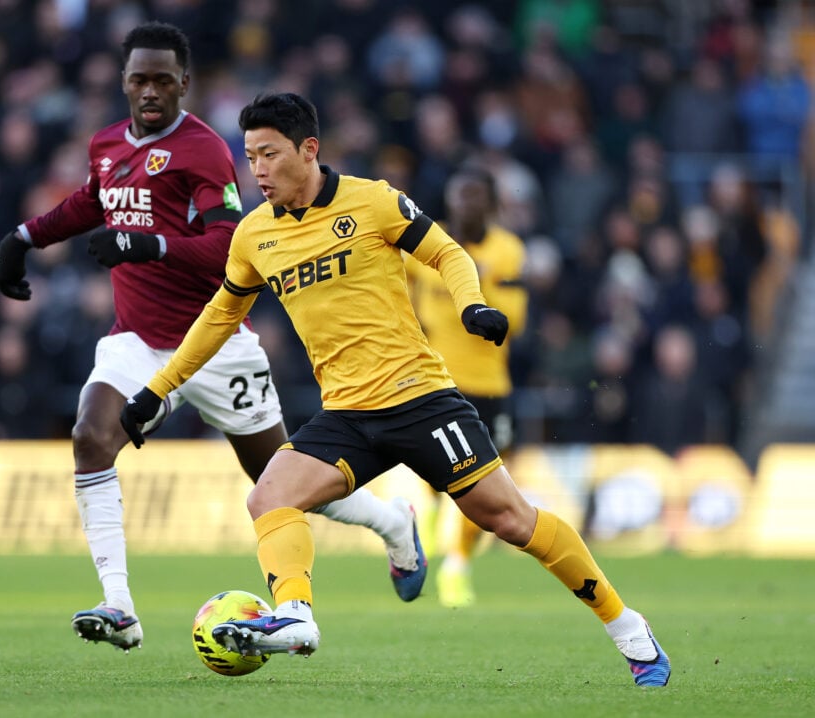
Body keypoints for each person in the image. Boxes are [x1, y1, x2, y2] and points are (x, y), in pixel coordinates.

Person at [120, 92, 671, 687]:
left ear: (309, 150)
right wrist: (159, 390)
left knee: (510, 520)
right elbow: (219, 316)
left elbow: (447, 251)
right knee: (269, 497)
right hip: (347, 414)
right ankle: (295, 615)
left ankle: (629, 629)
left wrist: (472, 306)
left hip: (420, 399)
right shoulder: (254, 235)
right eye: (249, 155)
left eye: (269, 154)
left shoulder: (374, 200)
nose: (257, 170)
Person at [0, 24, 426, 655]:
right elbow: (95, 200)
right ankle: (119, 606)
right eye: (139, 79)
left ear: (183, 83)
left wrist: (146, 245)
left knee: (281, 483)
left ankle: (391, 523)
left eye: (163, 80)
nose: (149, 91)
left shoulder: (205, 150)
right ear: (124, 81)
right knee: (90, 436)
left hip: (216, 343)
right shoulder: (107, 144)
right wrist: (23, 239)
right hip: (137, 342)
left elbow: (229, 248)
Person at [405, 165, 527, 608]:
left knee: (489, 485)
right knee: (434, 470)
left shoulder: (507, 251)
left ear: (491, 205)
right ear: (450, 200)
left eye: (477, 197)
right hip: (438, 380)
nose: (468, 204)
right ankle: (434, 507)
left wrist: (479, 281)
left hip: (491, 384)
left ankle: (457, 563)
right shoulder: (425, 244)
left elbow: (516, 319)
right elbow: (401, 291)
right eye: (462, 195)